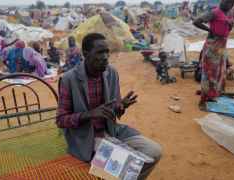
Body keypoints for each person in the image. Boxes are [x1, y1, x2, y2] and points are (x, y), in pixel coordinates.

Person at [56, 33, 162, 180]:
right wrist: (90, 114)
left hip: (111, 130)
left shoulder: (111, 73)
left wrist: (121, 107)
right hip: (85, 136)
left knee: (154, 151)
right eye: (100, 52)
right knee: (121, 164)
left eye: (107, 52)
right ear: (86, 54)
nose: (106, 56)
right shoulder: (69, 79)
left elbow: (114, 110)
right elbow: (61, 120)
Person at [193, 0, 234, 111]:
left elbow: (227, 29)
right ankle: (202, 101)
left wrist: (230, 25)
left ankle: (211, 96)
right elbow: (196, 21)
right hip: (212, 46)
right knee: (208, 73)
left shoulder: (229, 14)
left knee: (218, 73)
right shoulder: (214, 12)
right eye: (225, 2)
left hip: (222, 47)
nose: (227, 4)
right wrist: (210, 30)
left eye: (230, 3)